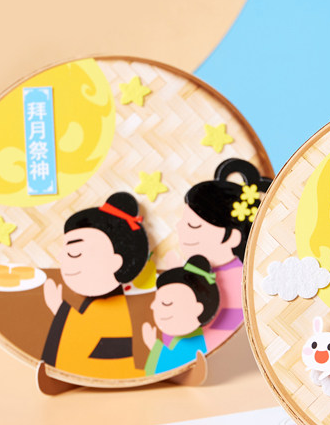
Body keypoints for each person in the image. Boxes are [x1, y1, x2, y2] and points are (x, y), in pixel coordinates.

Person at [165, 158, 271, 351]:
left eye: (193, 225)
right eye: (183, 221)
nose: (179, 228)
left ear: (231, 237)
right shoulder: (195, 269)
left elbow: (220, 338)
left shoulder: (240, 282)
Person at [41, 192, 149, 378]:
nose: (61, 258)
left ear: (116, 262)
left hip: (107, 373)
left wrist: (60, 309)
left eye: (74, 253)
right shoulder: (102, 301)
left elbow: (86, 334)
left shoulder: (117, 306)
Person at [142, 256, 220, 375]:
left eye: (166, 303)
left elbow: (172, 364)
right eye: (156, 301)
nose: (153, 306)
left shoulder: (195, 341)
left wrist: (153, 345)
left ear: (198, 309)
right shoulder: (172, 334)